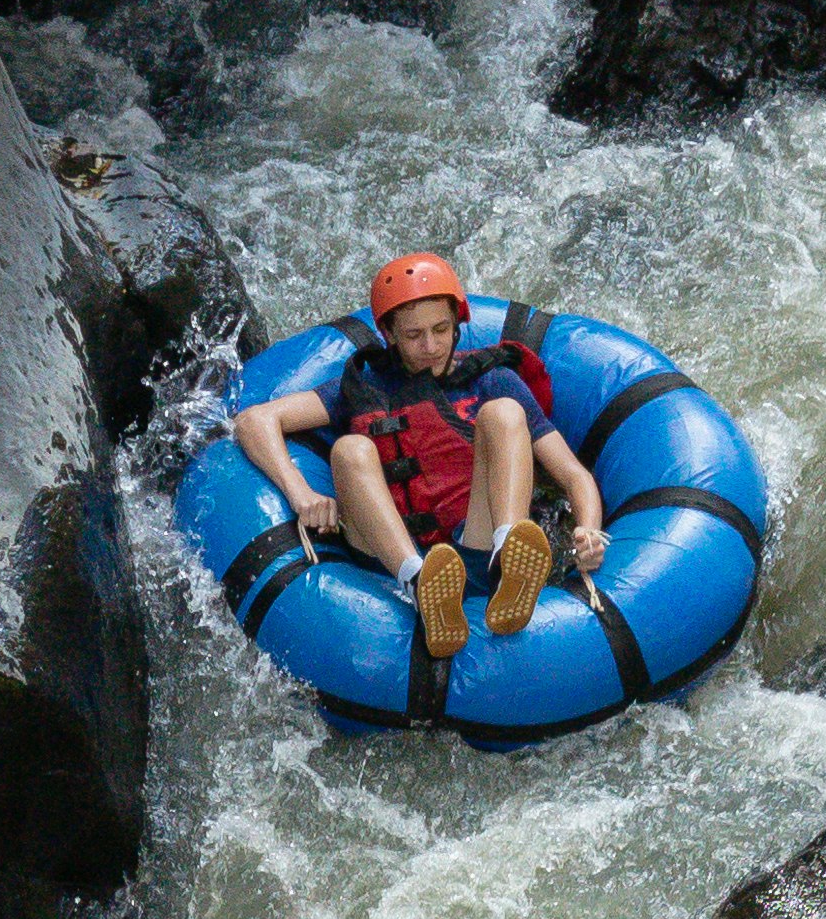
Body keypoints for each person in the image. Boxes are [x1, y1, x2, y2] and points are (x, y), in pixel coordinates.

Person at [230, 254, 611, 666]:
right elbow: (254, 421)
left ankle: (508, 558)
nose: (430, 346)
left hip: (474, 540)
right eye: (413, 335)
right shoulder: (362, 385)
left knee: (504, 413)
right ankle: (419, 584)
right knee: (350, 448)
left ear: (458, 323)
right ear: (389, 334)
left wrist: (589, 531)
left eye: (441, 329)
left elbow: (573, 474)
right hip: (390, 557)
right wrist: (301, 494)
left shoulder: (493, 380)